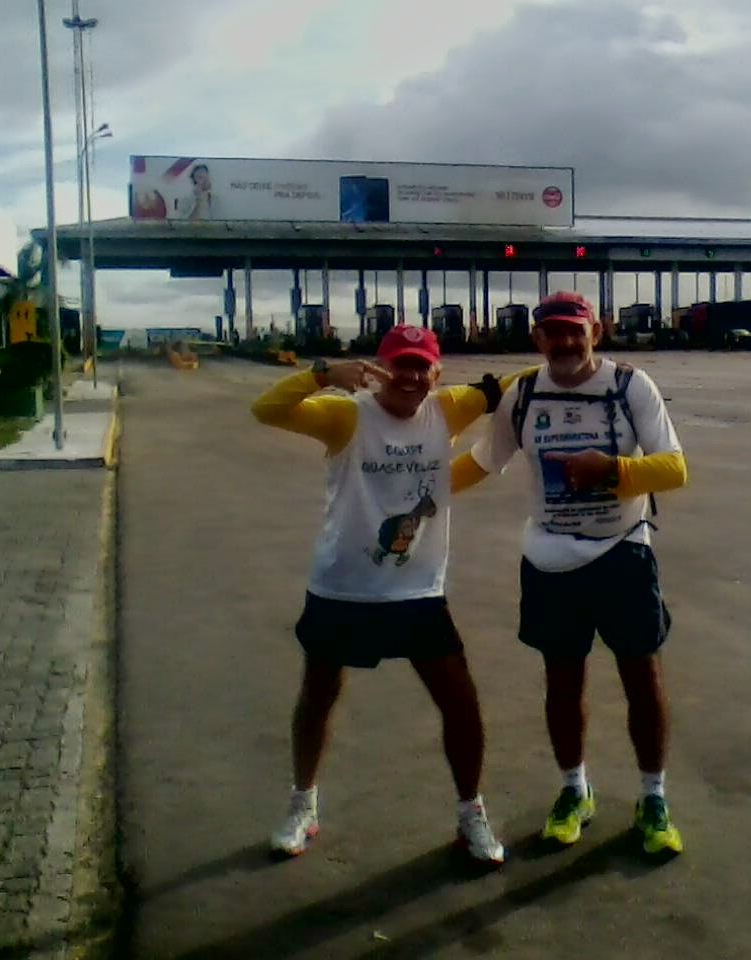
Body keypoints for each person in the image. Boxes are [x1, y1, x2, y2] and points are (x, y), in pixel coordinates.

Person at [251, 326, 529, 864]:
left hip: (417, 591)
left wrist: (597, 366)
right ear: (379, 369)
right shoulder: (347, 415)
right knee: (318, 695)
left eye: (422, 366)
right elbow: (267, 410)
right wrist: (322, 374)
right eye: (401, 365)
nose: (411, 377)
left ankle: (471, 813)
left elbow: (514, 384)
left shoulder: (448, 409)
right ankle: (302, 803)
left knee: (460, 702)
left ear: (436, 372)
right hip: (343, 586)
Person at [451, 290, 689, 856]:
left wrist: (613, 471)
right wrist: (415, 490)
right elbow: (483, 461)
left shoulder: (630, 385)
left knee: (642, 679)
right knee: (562, 682)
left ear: (595, 333)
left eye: (573, 331)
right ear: (537, 338)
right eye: (552, 332)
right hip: (550, 559)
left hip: (622, 553)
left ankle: (653, 797)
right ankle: (574, 790)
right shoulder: (523, 393)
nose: (563, 342)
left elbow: (674, 468)